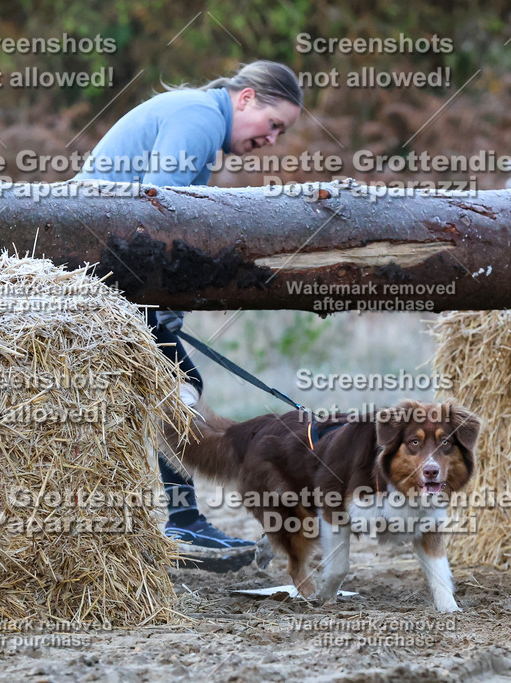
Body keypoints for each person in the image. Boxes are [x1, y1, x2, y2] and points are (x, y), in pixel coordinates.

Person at [74, 61, 302, 553]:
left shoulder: (199, 118)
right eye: (274, 124)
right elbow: (157, 211)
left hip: (110, 269)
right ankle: (181, 520)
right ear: (245, 99)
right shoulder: (199, 117)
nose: (273, 140)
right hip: (101, 272)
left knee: (174, 387)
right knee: (178, 386)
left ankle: (179, 518)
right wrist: (163, 304)